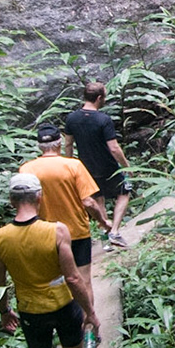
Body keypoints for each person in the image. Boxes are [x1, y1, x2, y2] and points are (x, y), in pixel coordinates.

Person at [0, 172, 100, 348]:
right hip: (64, 306)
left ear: (12, 201)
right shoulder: (57, 231)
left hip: (31, 310)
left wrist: (4, 312)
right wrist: (90, 312)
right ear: (39, 197)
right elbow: (73, 278)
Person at [19, 124, 107, 289]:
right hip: (76, 232)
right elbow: (88, 202)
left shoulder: (26, 170)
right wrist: (102, 220)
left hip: (44, 234)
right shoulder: (74, 165)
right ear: (59, 143)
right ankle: (88, 314)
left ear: (39, 146)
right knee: (83, 280)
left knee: (56, 283)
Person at [63, 81, 133, 243]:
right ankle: (114, 231)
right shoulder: (103, 119)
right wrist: (127, 166)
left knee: (98, 198)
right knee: (123, 193)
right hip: (107, 166)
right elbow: (114, 148)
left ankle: (104, 233)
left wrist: (69, 164)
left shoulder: (72, 118)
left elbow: (68, 143)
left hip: (85, 167)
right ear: (99, 98)